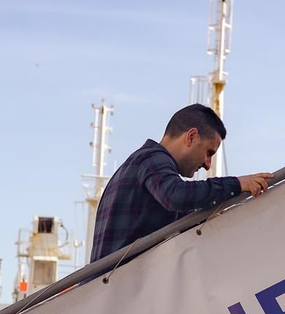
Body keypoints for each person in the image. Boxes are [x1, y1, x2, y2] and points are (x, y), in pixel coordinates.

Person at [89, 103, 271, 261]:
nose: (208, 165)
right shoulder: (151, 158)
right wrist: (237, 184)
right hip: (118, 292)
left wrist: (203, 217)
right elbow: (176, 195)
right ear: (191, 136)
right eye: (209, 153)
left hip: (109, 292)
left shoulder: (139, 166)